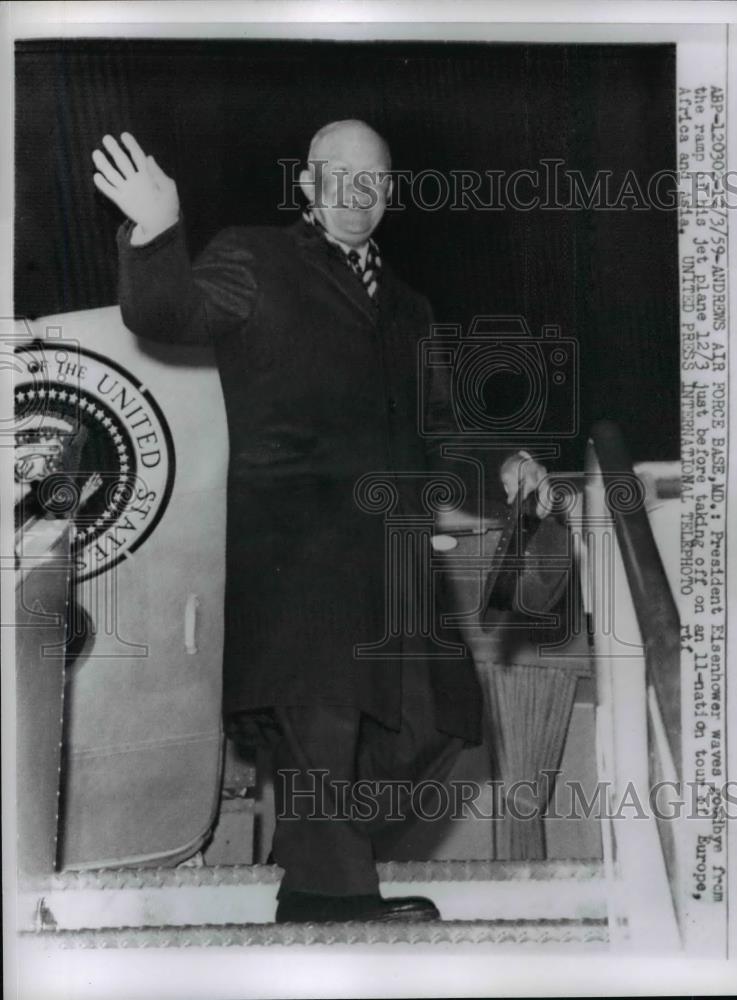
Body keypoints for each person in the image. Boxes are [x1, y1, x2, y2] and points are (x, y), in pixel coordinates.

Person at [92, 120, 548, 923]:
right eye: (338, 175)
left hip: (391, 562)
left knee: (440, 719)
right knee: (322, 722)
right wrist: (156, 229)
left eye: (373, 180)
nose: (356, 192)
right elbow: (169, 312)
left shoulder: (409, 307)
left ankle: (312, 855)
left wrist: (506, 460)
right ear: (305, 186)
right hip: (294, 555)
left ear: (390, 194)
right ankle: (329, 896)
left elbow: (435, 435)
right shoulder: (256, 260)